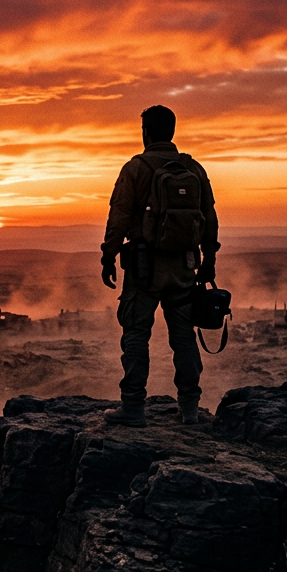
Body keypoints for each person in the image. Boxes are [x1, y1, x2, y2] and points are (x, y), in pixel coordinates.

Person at [99, 105, 219, 427]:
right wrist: (209, 261)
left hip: (143, 270)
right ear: (172, 132)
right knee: (184, 337)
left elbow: (119, 216)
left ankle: (134, 408)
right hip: (182, 268)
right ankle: (190, 409)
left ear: (146, 133)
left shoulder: (135, 169)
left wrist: (108, 256)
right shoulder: (193, 169)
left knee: (137, 335)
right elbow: (209, 219)